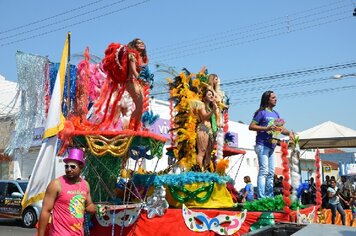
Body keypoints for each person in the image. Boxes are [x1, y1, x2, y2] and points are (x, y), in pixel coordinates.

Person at [38, 148, 99, 236]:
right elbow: (45, 211)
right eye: (66, 166)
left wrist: (98, 208)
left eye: (73, 166)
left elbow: (89, 206)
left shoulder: (85, 185)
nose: (69, 169)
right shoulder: (56, 184)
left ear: (81, 167)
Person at [249, 91, 294, 199]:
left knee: (271, 172)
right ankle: (261, 197)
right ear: (267, 99)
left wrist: (289, 133)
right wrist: (266, 128)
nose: (276, 99)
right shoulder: (261, 113)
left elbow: (281, 129)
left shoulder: (276, 114)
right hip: (262, 145)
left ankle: (269, 197)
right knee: (264, 171)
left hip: (272, 146)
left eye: (275, 97)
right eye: (273, 97)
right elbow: (251, 126)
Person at [196, 88, 218, 171]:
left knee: (209, 153)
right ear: (204, 97)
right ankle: (198, 173)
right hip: (203, 129)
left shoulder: (211, 106)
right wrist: (213, 110)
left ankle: (206, 172)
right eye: (209, 94)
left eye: (212, 94)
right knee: (202, 151)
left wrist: (215, 106)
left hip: (211, 131)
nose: (211, 96)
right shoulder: (201, 105)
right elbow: (205, 117)